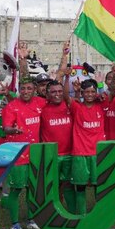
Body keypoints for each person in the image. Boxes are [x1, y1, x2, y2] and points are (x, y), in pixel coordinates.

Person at [1, 76, 43, 229]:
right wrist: (13, 130)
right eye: (23, 88)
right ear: (19, 89)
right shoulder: (12, 107)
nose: (26, 91)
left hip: (36, 154)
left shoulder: (40, 103)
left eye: (29, 88)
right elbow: (5, 127)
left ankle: (32, 220)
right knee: (17, 189)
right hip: (18, 154)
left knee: (33, 187)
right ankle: (15, 223)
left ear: (35, 90)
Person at [69, 78, 107, 216]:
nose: (90, 94)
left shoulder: (101, 106)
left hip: (97, 153)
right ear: (83, 93)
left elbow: (110, 94)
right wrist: (71, 84)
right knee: (80, 187)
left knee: (99, 185)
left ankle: (99, 215)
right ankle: (82, 215)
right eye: (87, 92)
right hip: (80, 153)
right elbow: (68, 97)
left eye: (93, 91)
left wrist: (102, 84)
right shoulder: (77, 107)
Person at [40, 79, 75, 212]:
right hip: (52, 155)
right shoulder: (42, 110)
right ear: (47, 94)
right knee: (51, 185)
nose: (57, 94)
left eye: (60, 91)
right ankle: (52, 212)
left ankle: (72, 212)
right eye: (53, 92)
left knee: (69, 185)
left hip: (69, 154)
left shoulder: (70, 106)